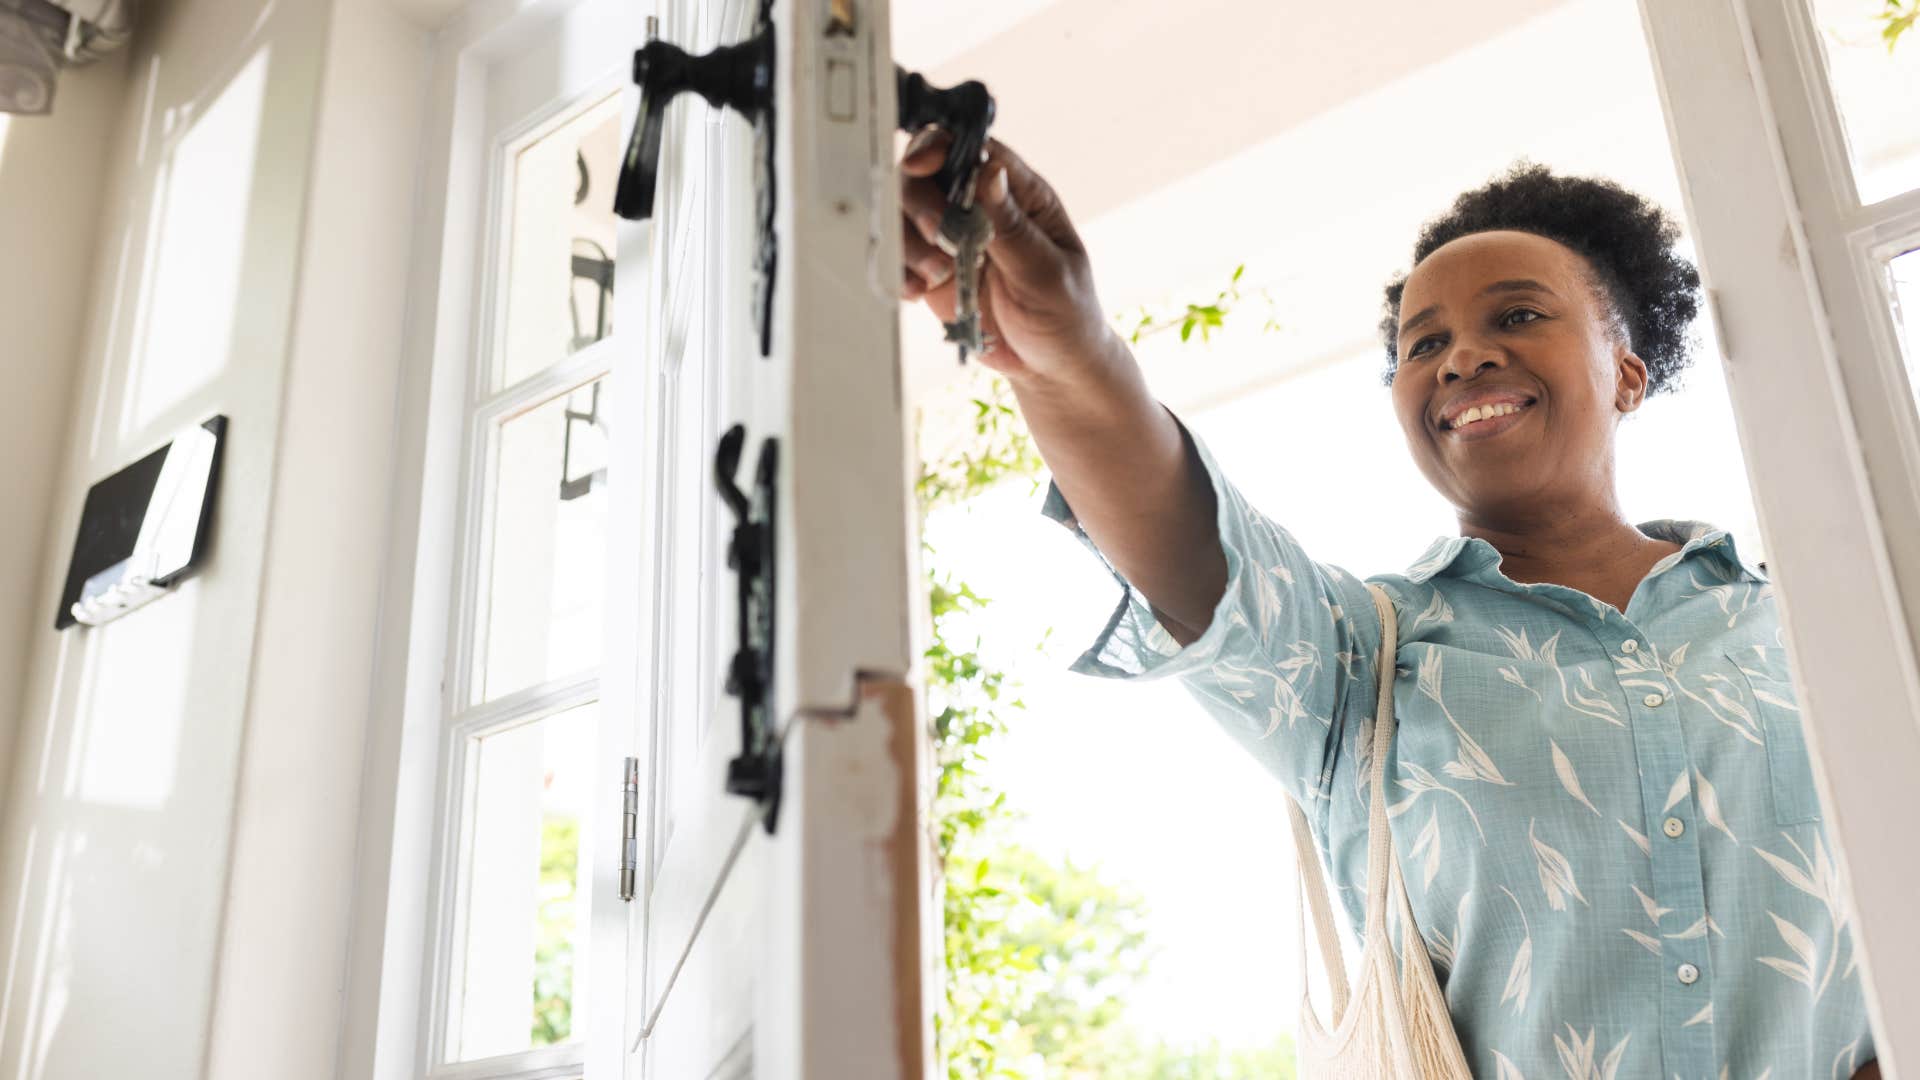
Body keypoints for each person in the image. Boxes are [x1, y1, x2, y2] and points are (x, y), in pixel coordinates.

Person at [900, 137, 1883, 1079]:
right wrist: (1066, 347)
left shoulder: (1814, 621)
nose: (1462, 357)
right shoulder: (1359, 664)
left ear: (1627, 369)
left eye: (1518, 317)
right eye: (1425, 343)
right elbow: (1189, 546)